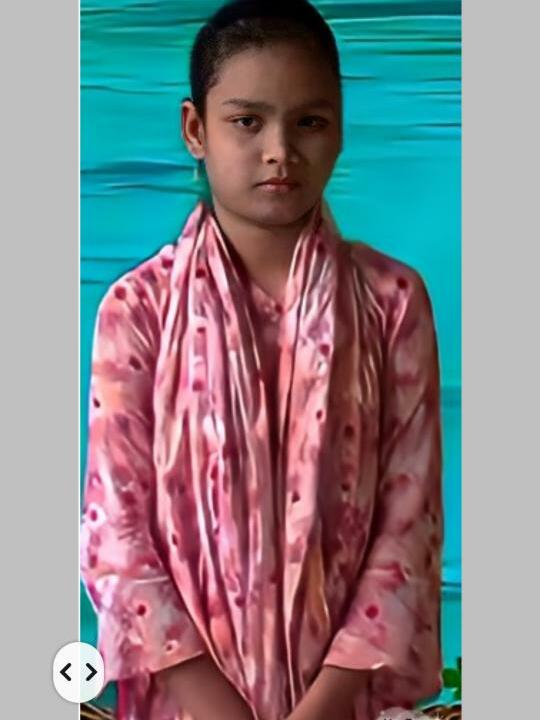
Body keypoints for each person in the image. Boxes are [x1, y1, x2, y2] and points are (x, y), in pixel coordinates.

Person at [80, 1, 444, 719]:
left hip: (344, 705)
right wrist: (215, 705)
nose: (280, 150)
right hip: (186, 704)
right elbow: (115, 532)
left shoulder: (391, 301)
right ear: (196, 130)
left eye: (309, 121)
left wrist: (324, 706)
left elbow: (408, 525)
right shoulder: (139, 309)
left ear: (340, 127)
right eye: (247, 121)